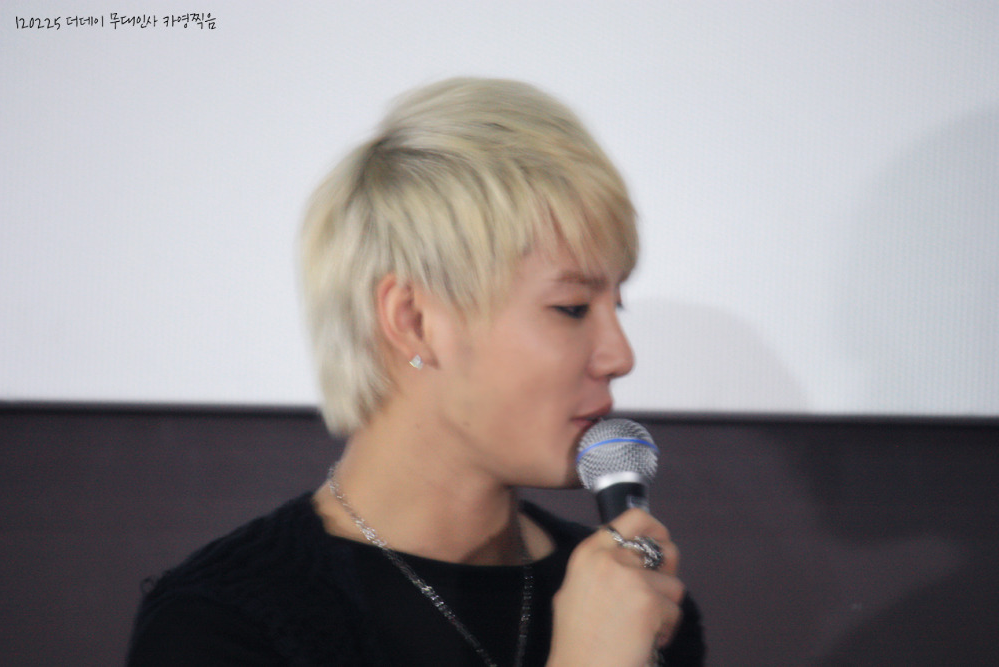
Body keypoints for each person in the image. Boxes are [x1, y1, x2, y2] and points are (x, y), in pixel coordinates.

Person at [126, 77, 705, 666]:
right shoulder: (219, 627)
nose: (619, 356)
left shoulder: (634, 603)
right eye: (573, 308)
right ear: (414, 320)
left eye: (617, 306)